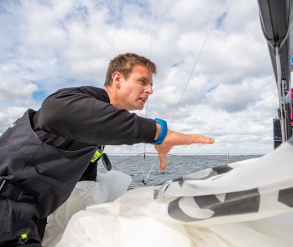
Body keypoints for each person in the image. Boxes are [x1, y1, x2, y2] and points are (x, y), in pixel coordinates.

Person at [0, 52, 214, 246]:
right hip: (7, 209)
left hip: (29, 215)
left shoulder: (93, 132)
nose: (150, 89)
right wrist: (159, 133)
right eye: (143, 81)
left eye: (150, 84)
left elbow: (85, 174)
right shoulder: (76, 99)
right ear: (118, 79)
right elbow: (54, 113)